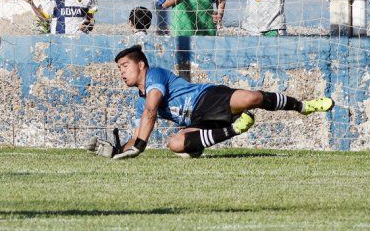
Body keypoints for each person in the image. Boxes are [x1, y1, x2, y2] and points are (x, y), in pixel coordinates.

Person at [89, 45, 334, 159]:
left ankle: (303, 106)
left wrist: (139, 147)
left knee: (252, 98)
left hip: (207, 98)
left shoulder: (155, 75)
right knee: (175, 144)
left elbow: (151, 112)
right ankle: (233, 129)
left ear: (141, 65)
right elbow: (141, 128)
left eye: (125, 66)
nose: (121, 72)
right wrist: (118, 152)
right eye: (119, 68)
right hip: (198, 119)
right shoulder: (141, 96)